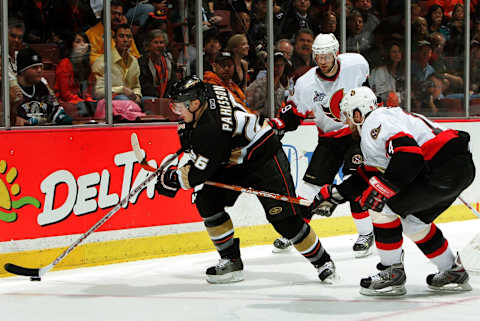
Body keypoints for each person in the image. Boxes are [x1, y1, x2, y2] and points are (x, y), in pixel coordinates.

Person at [155, 76, 336, 284]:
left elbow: (199, 173)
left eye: (179, 107)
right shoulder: (209, 91)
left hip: (265, 157)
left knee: (285, 220)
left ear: (195, 103)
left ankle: (323, 261)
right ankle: (231, 261)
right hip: (234, 157)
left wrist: (174, 179)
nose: (176, 112)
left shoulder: (212, 130)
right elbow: (207, 150)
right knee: (207, 201)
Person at [322, 86, 474, 295]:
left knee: (381, 208)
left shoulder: (373, 123)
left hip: (438, 167)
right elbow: (369, 173)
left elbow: (409, 155)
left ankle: (392, 272)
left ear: (358, 114)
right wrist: (335, 194)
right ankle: (452, 270)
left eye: (348, 118)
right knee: (414, 223)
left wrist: (383, 190)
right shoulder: (390, 116)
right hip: (460, 165)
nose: (348, 125)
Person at [268, 33, 373, 257]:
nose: (322, 61)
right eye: (318, 56)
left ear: (336, 53)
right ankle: (296, 233)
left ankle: (366, 233)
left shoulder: (355, 64)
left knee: (355, 182)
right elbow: (293, 115)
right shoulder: (306, 84)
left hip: (356, 135)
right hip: (328, 140)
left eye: (326, 56)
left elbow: (368, 93)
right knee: (308, 190)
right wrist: (279, 124)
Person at [15, 48, 72, 126]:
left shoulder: (42, 87)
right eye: (34, 68)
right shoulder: (12, 90)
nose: (39, 70)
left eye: (41, 67)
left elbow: (57, 112)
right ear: (22, 71)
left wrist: (60, 117)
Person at [92, 24, 142, 104]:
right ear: (114, 39)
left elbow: (136, 86)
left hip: (130, 101)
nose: (125, 40)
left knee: (151, 102)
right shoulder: (103, 61)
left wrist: (137, 96)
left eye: (128, 37)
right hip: (106, 103)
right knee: (123, 99)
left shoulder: (134, 61)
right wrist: (121, 90)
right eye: (121, 36)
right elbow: (97, 92)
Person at [54, 32, 96, 117]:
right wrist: (82, 101)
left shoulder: (87, 65)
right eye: (78, 42)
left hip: (81, 101)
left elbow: (88, 90)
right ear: (71, 45)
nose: (82, 45)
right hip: (67, 102)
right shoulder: (64, 64)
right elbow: (65, 94)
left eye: (84, 42)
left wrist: (88, 100)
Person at [86, 0, 141, 65]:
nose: (117, 17)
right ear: (104, 14)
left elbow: (136, 55)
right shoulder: (91, 34)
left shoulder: (126, 32)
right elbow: (92, 59)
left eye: (119, 14)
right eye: (113, 13)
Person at [246, 51, 292, 117]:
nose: (279, 68)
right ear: (267, 65)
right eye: (276, 65)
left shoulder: (281, 89)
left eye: (281, 65)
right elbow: (248, 107)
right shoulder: (257, 85)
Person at [139, 29, 177, 100]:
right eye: (156, 42)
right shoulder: (142, 61)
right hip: (148, 96)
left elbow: (173, 82)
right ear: (148, 45)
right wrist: (159, 97)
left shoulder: (168, 61)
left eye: (161, 42)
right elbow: (144, 86)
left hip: (165, 97)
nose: (159, 45)